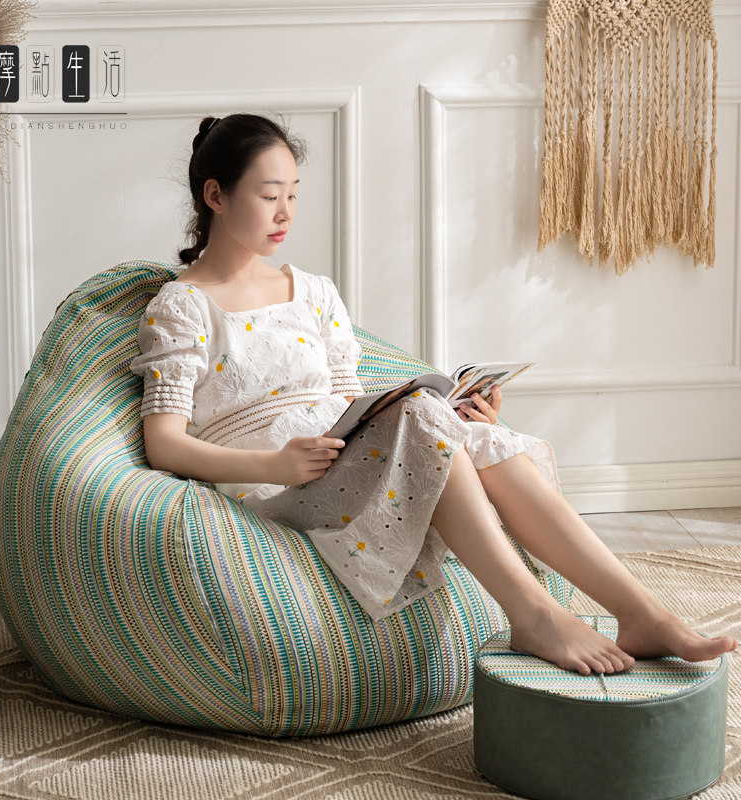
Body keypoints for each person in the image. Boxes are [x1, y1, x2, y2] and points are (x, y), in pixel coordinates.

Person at [130, 113, 737, 676]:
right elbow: (164, 445)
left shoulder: (313, 291)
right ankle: (533, 615)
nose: (285, 212)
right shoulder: (183, 307)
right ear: (216, 195)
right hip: (275, 486)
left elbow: (351, 402)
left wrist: (455, 415)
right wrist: (275, 465)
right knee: (428, 422)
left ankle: (640, 612)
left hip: (336, 456)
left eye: (293, 194)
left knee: (464, 431)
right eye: (269, 196)